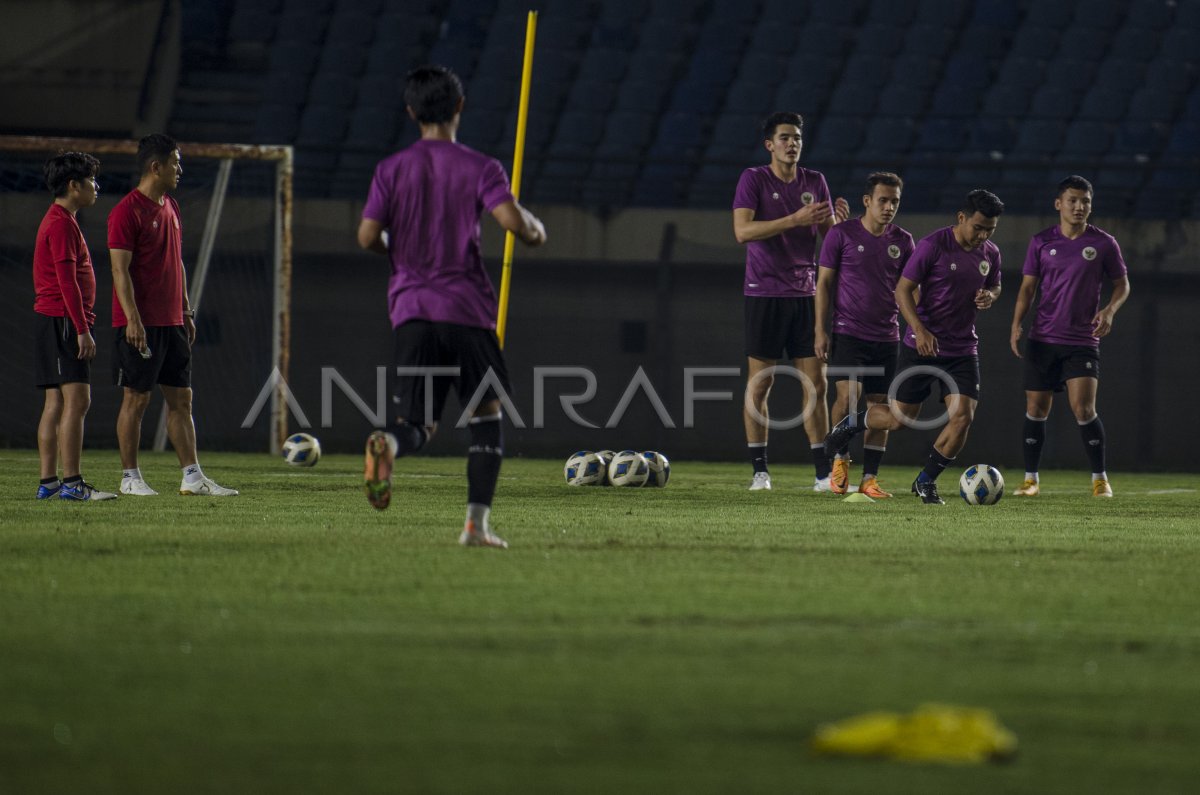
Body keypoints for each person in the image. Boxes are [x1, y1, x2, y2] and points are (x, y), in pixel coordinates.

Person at [357, 65, 546, 549]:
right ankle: (475, 527)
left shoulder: (391, 168)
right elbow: (513, 224)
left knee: (416, 424)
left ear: (410, 112)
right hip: (465, 309)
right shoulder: (480, 166)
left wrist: (395, 248)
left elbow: (366, 237)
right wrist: (533, 229)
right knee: (485, 417)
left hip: (411, 312)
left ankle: (389, 446)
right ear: (460, 107)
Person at [824, 189, 1005, 504]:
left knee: (963, 415)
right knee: (899, 419)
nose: (983, 235)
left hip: (962, 348)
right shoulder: (932, 246)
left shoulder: (990, 253)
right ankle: (852, 423)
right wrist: (919, 330)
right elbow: (903, 290)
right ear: (961, 218)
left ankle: (926, 480)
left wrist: (991, 295)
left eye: (990, 229)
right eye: (978, 227)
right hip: (922, 346)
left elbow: (995, 285)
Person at [108, 133, 237, 497]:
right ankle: (130, 477)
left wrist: (185, 309)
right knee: (137, 398)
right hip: (140, 324)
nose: (180, 168)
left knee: (182, 399)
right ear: (156, 166)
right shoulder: (125, 211)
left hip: (172, 321)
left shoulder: (171, 207)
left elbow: (176, 261)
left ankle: (192, 477)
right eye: (175, 162)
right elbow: (120, 271)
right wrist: (133, 318)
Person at [733, 111, 850, 492]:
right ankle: (760, 472)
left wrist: (840, 226)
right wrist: (794, 218)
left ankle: (821, 475)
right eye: (785, 137)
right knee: (760, 385)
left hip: (805, 294)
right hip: (764, 293)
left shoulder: (815, 181)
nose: (792, 143)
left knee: (816, 385)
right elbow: (742, 231)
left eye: (797, 137)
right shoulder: (754, 179)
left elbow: (829, 240)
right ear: (770, 144)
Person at [1009, 176, 1130, 498]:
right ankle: (1030, 479)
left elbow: (1122, 284)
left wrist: (1109, 310)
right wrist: (1016, 324)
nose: (1079, 207)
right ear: (1058, 204)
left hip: (1082, 341)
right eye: (1073, 200)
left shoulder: (1104, 243)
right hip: (1043, 339)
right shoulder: (1041, 242)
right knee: (1036, 409)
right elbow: (1027, 288)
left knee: (1083, 409)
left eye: (1085, 201)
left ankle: (1100, 479)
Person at [814, 172, 914, 498]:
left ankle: (870, 478)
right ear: (867, 201)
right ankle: (840, 460)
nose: (888, 207)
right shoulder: (841, 235)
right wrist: (820, 329)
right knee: (847, 398)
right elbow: (825, 284)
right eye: (883, 200)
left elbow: (911, 289)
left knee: (880, 407)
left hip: (886, 336)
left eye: (894, 202)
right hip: (848, 332)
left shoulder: (903, 241)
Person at [32, 151, 116, 502]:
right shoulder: (63, 223)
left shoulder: (55, 219)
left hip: (51, 320)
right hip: (65, 321)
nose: (97, 187)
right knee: (78, 401)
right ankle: (72, 484)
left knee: (55, 403)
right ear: (73, 185)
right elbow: (68, 282)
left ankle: (49, 483)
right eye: (92, 181)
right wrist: (82, 328)